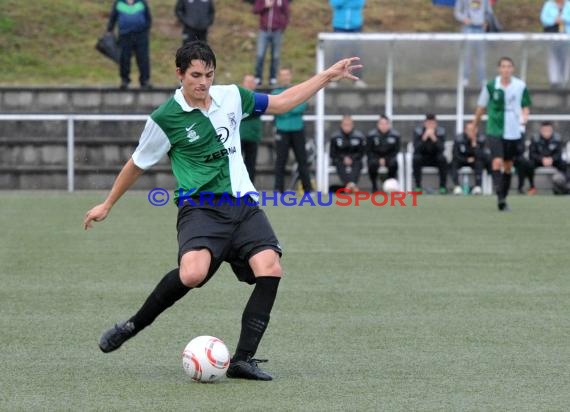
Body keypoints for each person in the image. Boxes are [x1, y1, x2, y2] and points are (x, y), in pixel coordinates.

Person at [83, 40, 362, 381]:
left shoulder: (231, 96)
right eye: (196, 75)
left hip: (243, 204)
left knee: (270, 268)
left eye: (209, 75)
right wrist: (108, 203)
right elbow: (136, 164)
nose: (203, 82)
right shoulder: (165, 118)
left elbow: (282, 102)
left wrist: (327, 75)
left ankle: (243, 359)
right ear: (180, 75)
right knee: (192, 274)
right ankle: (131, 325)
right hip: (200, 208)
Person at [471, 56, 532, 211]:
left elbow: (525, 106)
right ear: (499, 69)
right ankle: (499, 193)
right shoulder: (491, 86)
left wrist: (525, 116)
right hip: (495, 128)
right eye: (503, 66)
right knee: (497, 161)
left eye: (509, 66)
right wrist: (474, 125)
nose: (506, 70)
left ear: (513, 69)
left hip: (513, 129)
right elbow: (481, 107)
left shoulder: (520, 86)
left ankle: (503, 198)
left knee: (508, 165)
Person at [272, 67, 313, 194]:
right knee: (280, 160)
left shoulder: (297, 90)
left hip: (297, 129)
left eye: (287, 75)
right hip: (282, 129)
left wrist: (285, 108)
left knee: (302, 159)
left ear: (290, 76)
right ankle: (278, 190)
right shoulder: (275, 92)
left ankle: (308, 189)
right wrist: (290, 106)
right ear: (279, 77)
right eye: (282, 75)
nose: (285, 77)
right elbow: (275, 108)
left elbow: (302, 106)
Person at [107, 0, 152, 90]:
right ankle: (125, 80)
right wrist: (109, 30)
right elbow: (113, 17)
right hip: (124, 36)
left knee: (143, 58)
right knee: (124, 58)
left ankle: (144, 81)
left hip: (141, 36)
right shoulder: (118, 3)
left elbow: (148, 18)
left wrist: (144, 30)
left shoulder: (142, 2)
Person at [517, 121, 568, 195]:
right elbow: (532, 154)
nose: (546, 132)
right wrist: (542, 159)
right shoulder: (535, 139)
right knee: (526, 164)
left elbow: (559, 153)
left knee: (565, 165)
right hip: (538, 161)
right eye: (545, 130)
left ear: (552, 131)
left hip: (553, 161)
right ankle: (530, 187)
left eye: (548, 130)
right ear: (541, 130)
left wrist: (552, 159)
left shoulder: (557, 138)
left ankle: (564, 186)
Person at [454, 0, 494, 87]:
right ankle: (465, 78)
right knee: (467, 55)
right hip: (468, 28)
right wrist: (464, 19)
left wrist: (486, 21)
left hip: (481, 29)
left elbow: (489, 12)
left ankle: (482, 79)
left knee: (481, 56)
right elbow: (457, 13)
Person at [328, 0, 367, 88]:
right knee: (337, 53)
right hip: (339, 26)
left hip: (356, 26)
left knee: (356, 52)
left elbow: (359, 3)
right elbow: (335, 3)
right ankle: (335, 78)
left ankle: (358, 79)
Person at [253, 0, 290, 87]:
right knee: (260, 55)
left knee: (275, 56)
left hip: (277, 31)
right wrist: (265, 6)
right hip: (264, 30)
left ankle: (272, 78)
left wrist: (283, 26)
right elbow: (255, 10)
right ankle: (258, 77)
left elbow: (287, 13)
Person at [450, 122, 491, 195]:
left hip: (474, 161)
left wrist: (474, 145)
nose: (472, 132)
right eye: (469, 130)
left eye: (473, 130)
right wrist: (466, 160)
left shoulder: (481, 139)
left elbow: (483, 156)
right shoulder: (459, 139)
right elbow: (455, 154)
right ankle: (457, 187)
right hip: (462, 160)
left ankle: (478, 187)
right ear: (465, 130)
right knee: (453, 163)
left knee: (479, 163)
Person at [412, 113, 448, 194]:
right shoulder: (418, 132)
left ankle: (443, 187)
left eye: (432, 123)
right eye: (428, 123)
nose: (430, 125)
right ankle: (418, 186)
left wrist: (434, 138)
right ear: (425, 123)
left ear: (436, 124)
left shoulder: (441, 132)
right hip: (423, 158)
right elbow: (416, 148)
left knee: (442, 159)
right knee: (416, 158)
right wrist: (424, 137)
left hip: (435, 158)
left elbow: (441, 149)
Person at [330, 114, 366, 192]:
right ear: (341, 125)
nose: (347, 127)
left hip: (355, 159)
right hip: (340, 160)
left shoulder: (359, 137)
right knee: (338, 162)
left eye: (348, 125)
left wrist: (352, 158)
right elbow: (332, 153)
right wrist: (343, 158)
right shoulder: (335, 137)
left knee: (358, 163)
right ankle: (351, 185)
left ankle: (349, 186)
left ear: (352, 125)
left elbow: (361, 153)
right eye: (345, 125)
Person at [366, 114, 400, 193]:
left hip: (389, 158)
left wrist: (386, 159)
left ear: (389, 125)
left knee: (393, 163)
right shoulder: (371, 135)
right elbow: (369, 151)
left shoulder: (395, 135)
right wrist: (378, 159)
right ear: (378, 125)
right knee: (372, 164)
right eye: (381, 124)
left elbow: (396, 151)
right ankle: (374, 186)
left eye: (385, 124)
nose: (383, 126)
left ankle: (391, 185)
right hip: (376, 158)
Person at [540, 0, 570, 88]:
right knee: (553, 57)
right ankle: (554, 81)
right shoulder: (548, 5)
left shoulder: (568, 4)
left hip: (567, 37)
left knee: (566, 58)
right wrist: (554, 21)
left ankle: (565, 81)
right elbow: (544, 19)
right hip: (552, 37)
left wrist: (563, 19)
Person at [240, 74, 263, 183]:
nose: (249, 84)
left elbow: (258, 111)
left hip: (253, 136)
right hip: (238, 136)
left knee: (251, 164)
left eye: (251, 81)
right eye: (247, 81)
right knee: (237, 164)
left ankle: (249, 189)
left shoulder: (258, 97)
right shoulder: (238, 97)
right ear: (243, 83)